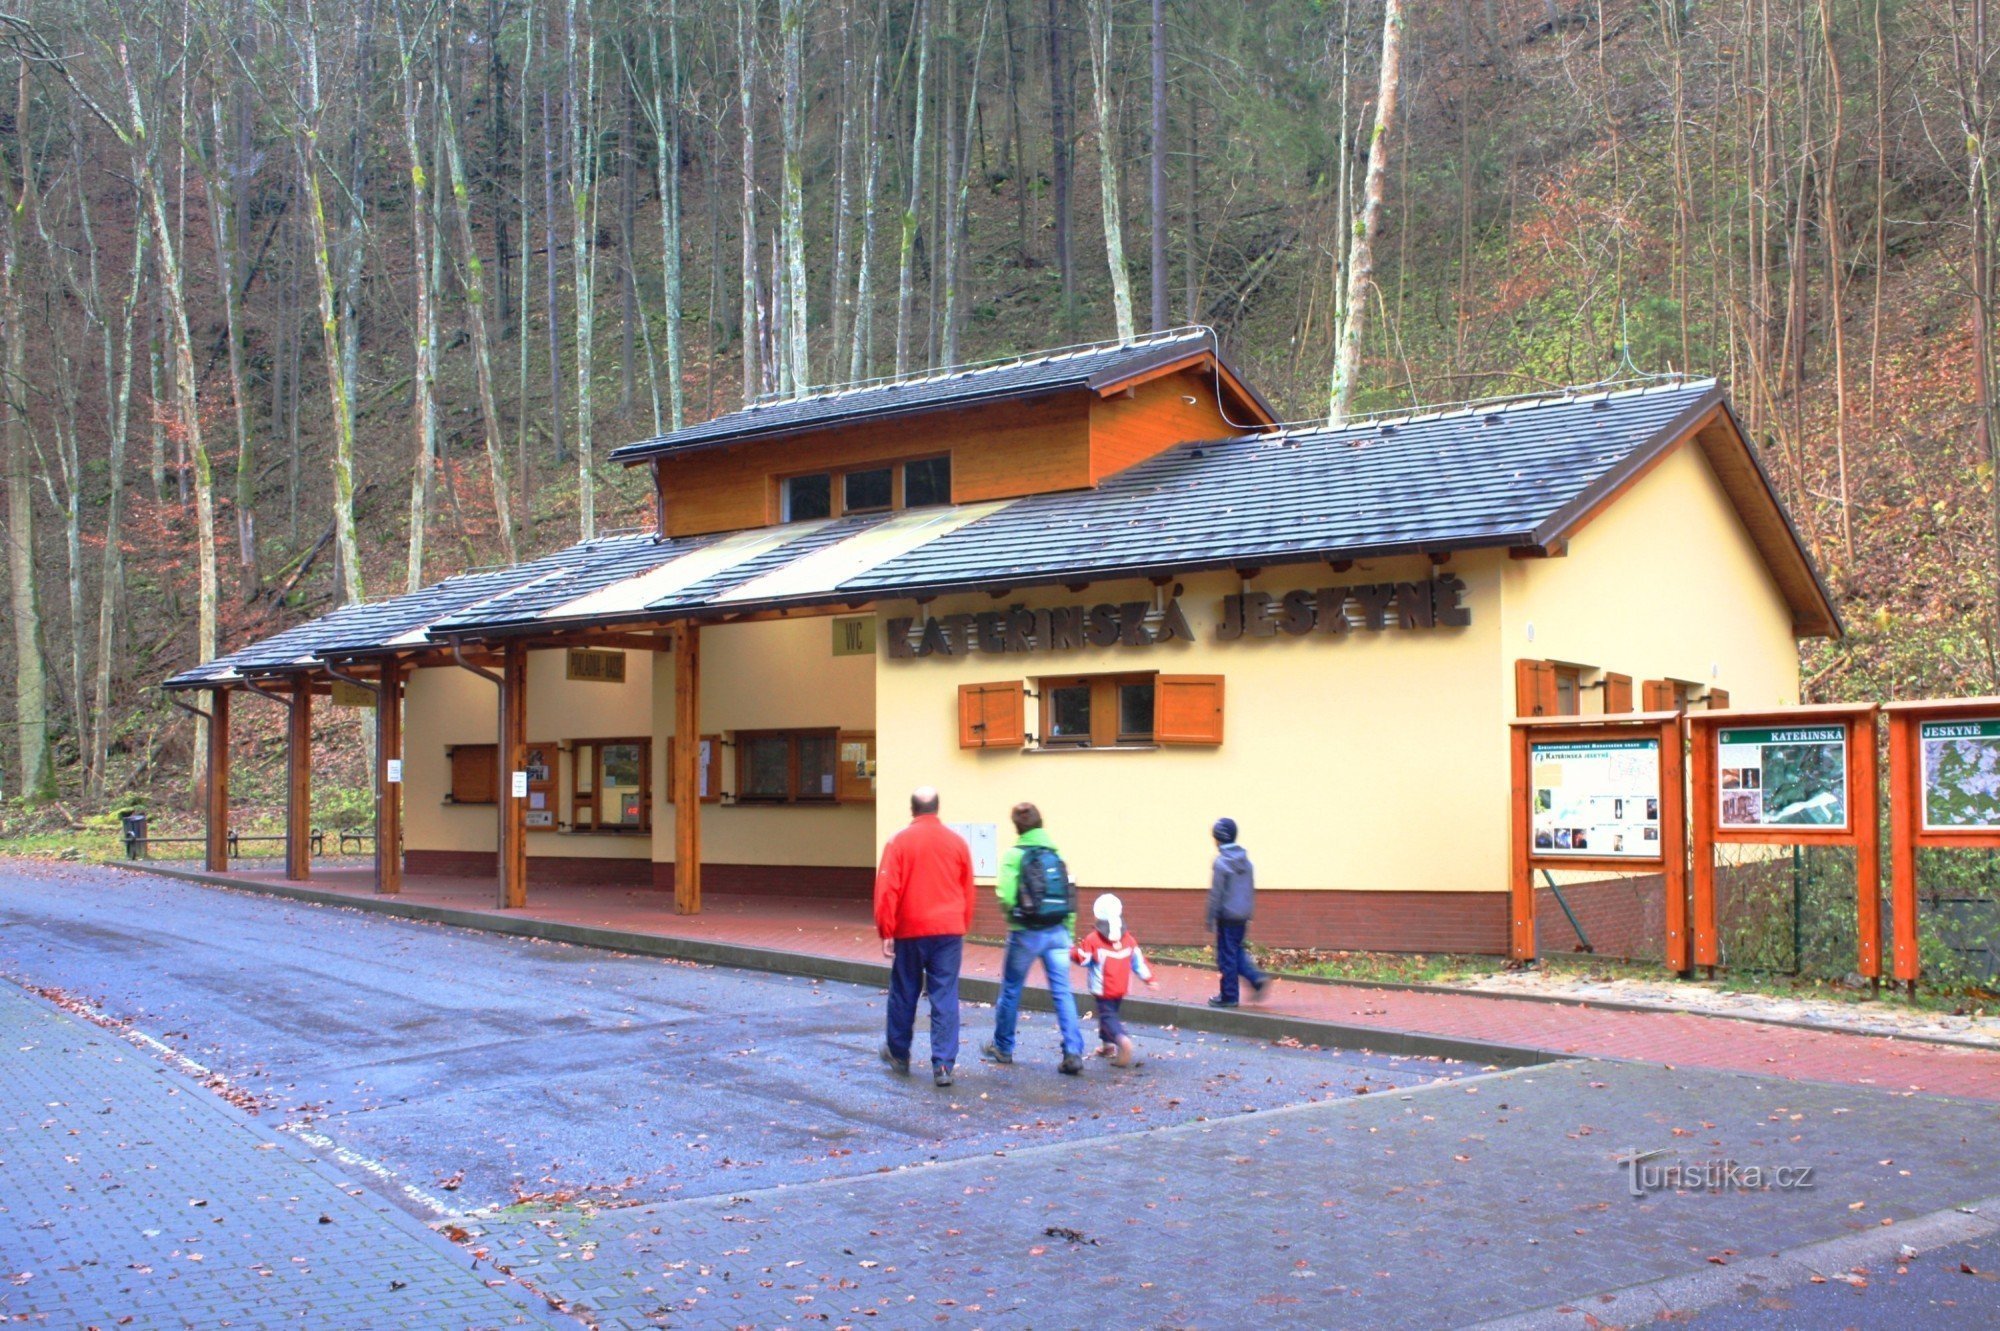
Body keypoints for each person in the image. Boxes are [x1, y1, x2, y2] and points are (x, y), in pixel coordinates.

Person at [873, 787, 976, 1087]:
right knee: (945, 993)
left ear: (913, 809)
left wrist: (886, 929)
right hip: (948, 930)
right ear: (936, 808)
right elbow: (966, 888)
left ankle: (899, 1053)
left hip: (910, 928)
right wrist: (962, 923)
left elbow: (887, 890)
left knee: (905, 990)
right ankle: (943, 1064)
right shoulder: (957, 842)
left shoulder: (899, 842)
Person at [981, 802, 1087, 1075]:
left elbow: (1004, 895)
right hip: (1057, 930)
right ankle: (1073, 1050)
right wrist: (1069, 932)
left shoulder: (1014, 855)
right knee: (1062, 991)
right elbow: (1069, 893)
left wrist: (1014, 917)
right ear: (1041, 823)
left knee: (1012, 989)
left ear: (1017, 827)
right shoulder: (1056, 852)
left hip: (1025, 932)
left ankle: (1003, 1047)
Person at [1071, 893, 1156, 1067]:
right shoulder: (1128, 939)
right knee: (1109, 1015)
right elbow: (1138, 961)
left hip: (1103, 989)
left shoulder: (1093, 939)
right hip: (1121, 987)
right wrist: (1149, 979)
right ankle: (1107, 1046)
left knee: (1108, 1016)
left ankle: (1121, 1040)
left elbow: (1084, 959)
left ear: (1096, 915)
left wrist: (1071, 951)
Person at [1206, 817, 1272, 1008]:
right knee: (1236, 951)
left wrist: (1210, 917)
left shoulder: (1221, 863)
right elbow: (1249, 889)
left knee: (1226, 956)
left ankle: (1229, 996)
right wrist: (1248, 913)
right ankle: (1255, 978)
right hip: (1242, 915)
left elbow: (1216, 893)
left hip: (1226, 916)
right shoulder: (1247, 862)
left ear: (1219, 838)